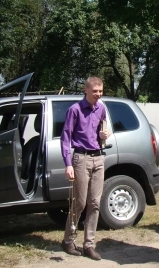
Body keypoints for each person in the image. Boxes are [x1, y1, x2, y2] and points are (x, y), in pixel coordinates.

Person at [60, 76, 111, 261]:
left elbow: (104, 132)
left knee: (95, 203)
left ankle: (89, 244)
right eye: (95, 91)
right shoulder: (74, 110)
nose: (98, 94)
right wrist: (68, 164)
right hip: (80, 158)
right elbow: (65, 138)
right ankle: (68, 240)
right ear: (86, 90)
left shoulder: (102, 108)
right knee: (80, 203)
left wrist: (105, 135)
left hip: (98, 158)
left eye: (101, 91)